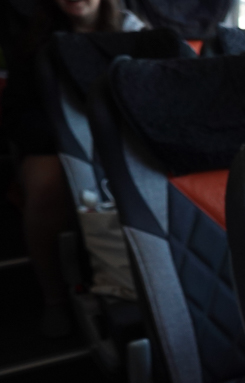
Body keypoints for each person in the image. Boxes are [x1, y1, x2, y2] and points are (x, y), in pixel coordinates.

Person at [1, 0, 144, 337]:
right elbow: (17, 111)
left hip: (120, 136)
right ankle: (54, 297)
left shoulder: (134, 32)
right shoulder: (34, 38)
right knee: (46, 189)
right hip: (52, 138)